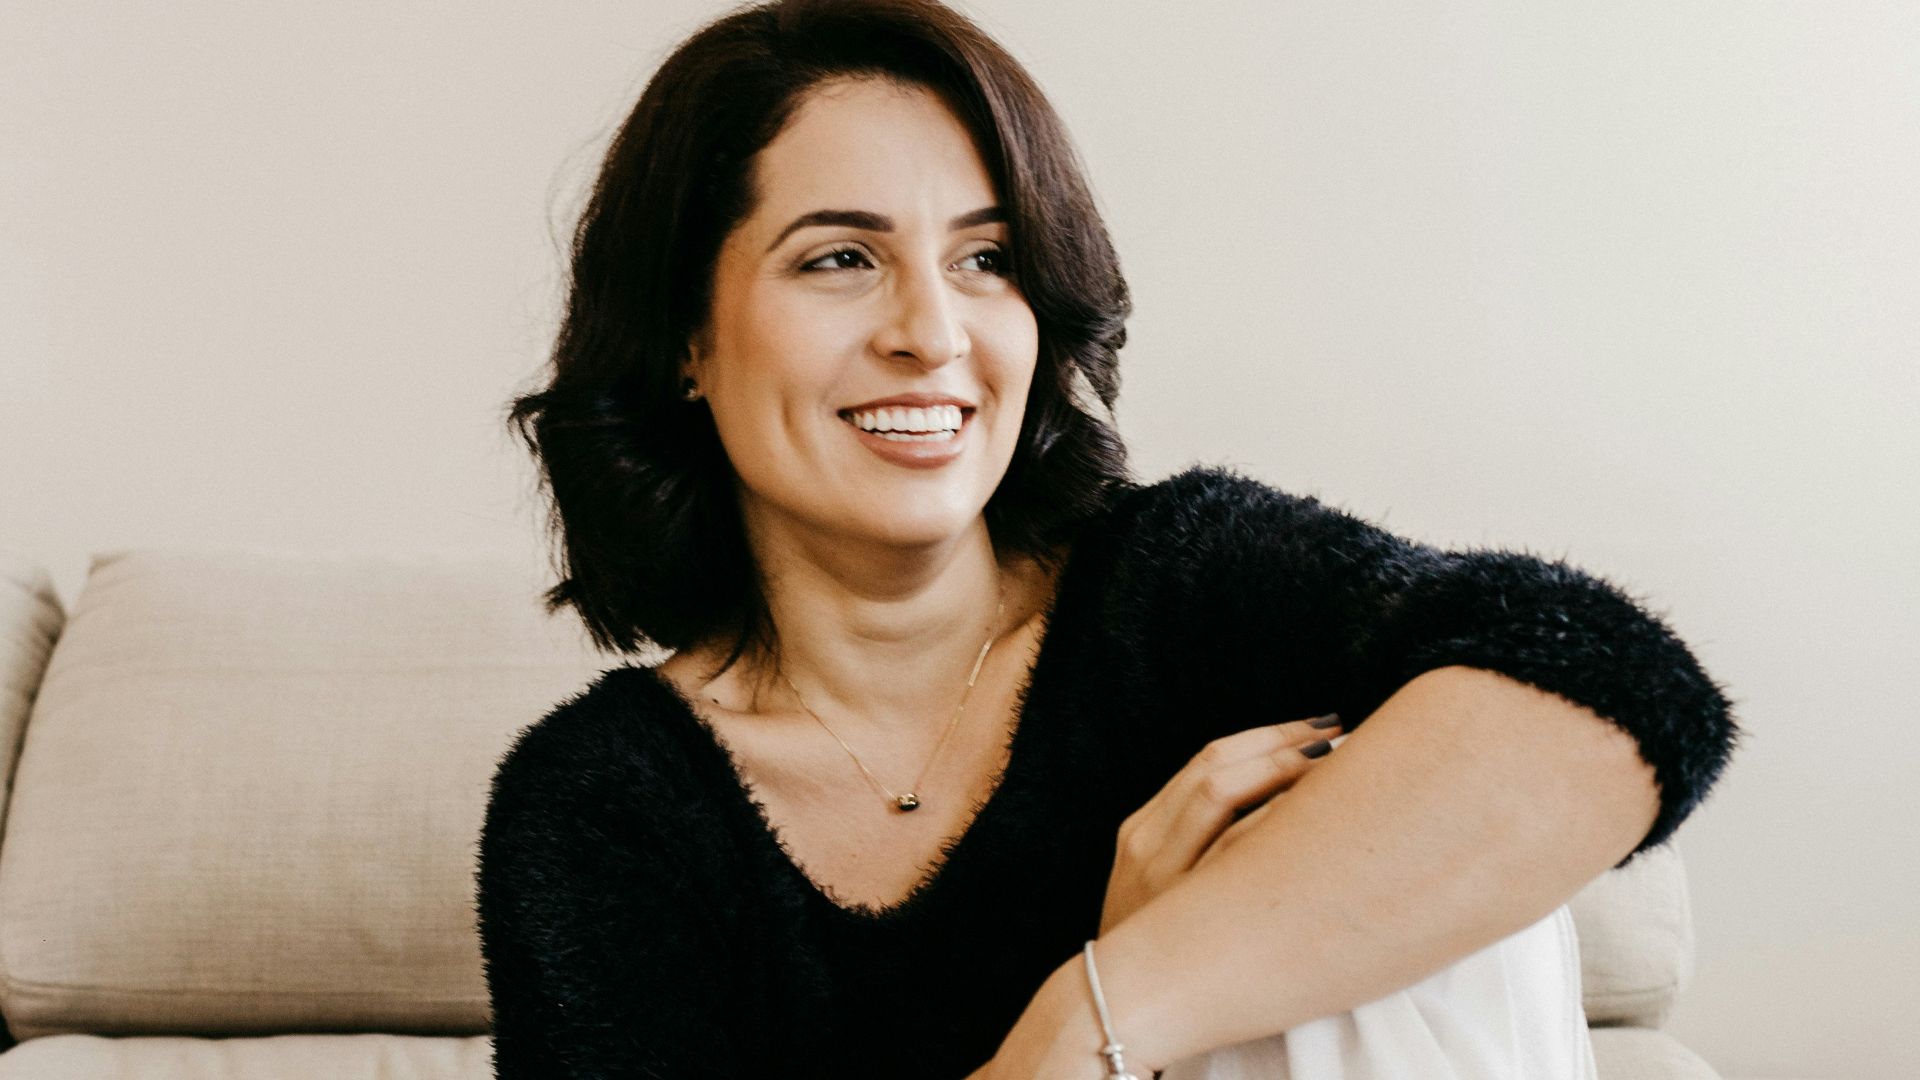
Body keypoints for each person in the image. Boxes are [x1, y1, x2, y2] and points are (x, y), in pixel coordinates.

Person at [476, 0, 1739, 1077]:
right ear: (687, 340)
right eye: (842, 258)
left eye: (987, 258)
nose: (933, 333)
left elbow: (1620, 693)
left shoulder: (1181, 587)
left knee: (1405, 848)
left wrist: (1112, 1004)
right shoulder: (604, 809)